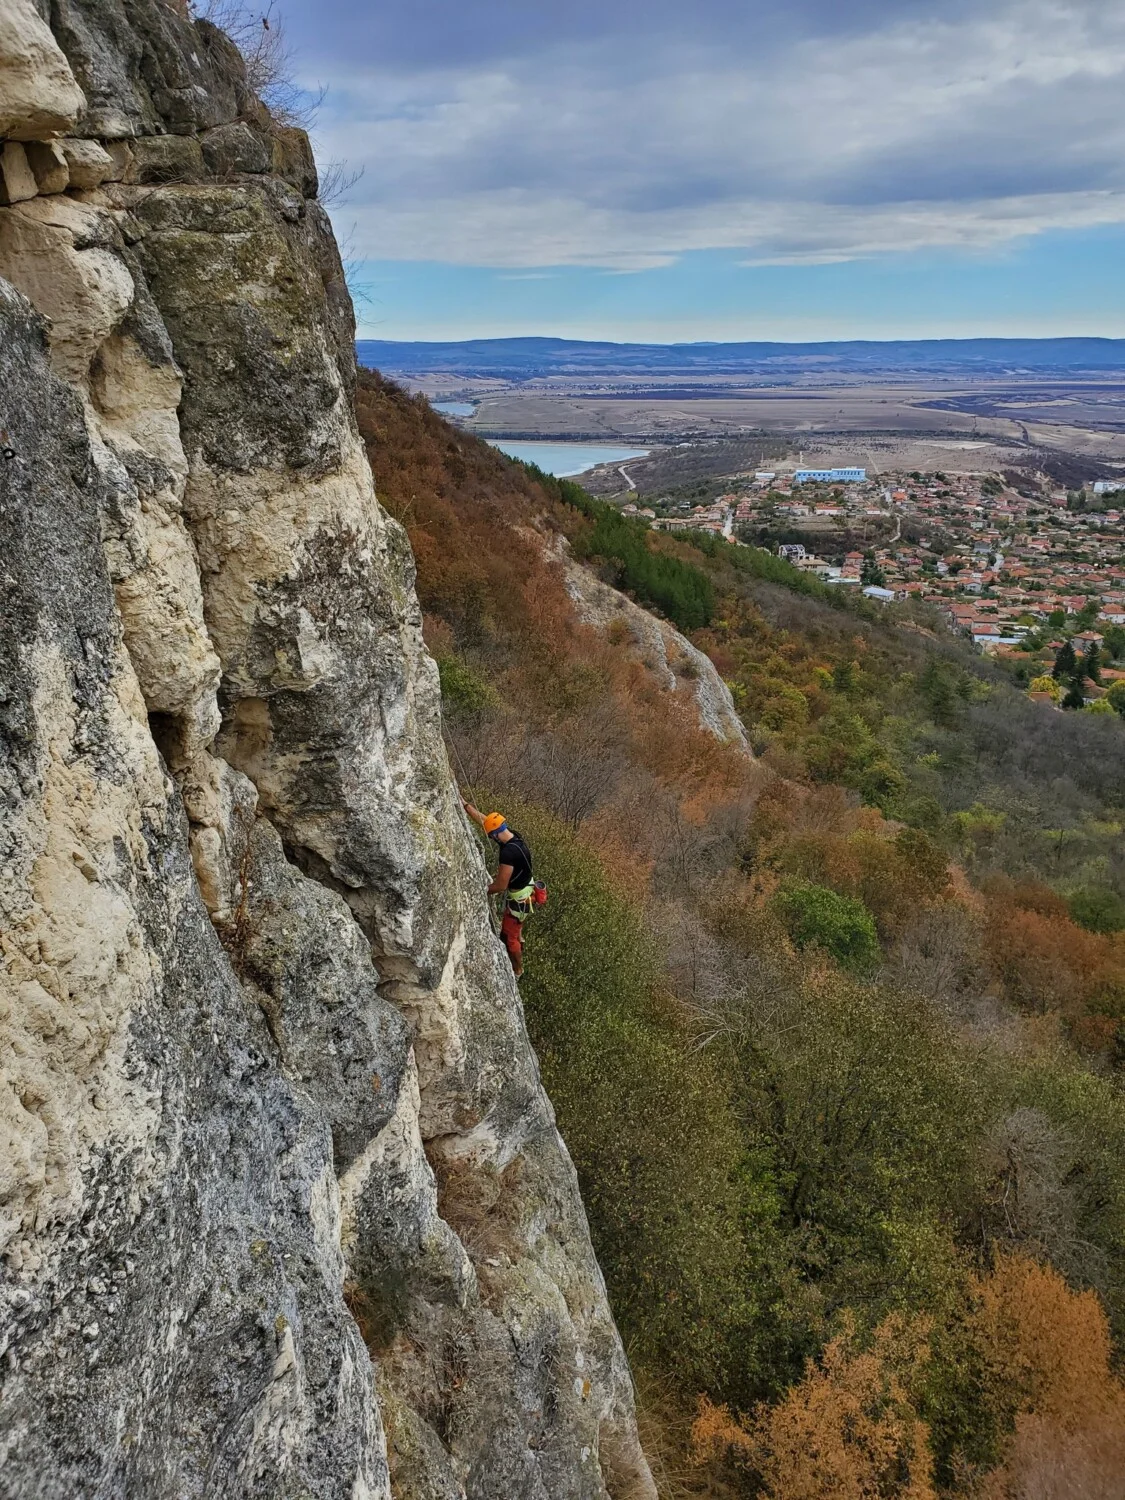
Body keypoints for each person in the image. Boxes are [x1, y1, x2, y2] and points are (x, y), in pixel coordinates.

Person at [463, 801, 535, 978]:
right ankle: (519, 939)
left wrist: (479, 890)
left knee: (510, 939)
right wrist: (465, 805)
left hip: (519, 898)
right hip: (527, 890)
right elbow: (485, 821)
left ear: (495, 835)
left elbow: (500, 886)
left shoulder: (508, 853)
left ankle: (517, 970)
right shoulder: (513, 836)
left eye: (490, 835)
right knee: (516, 931)